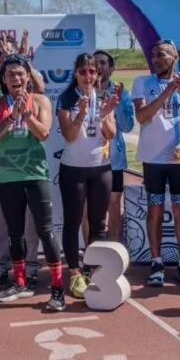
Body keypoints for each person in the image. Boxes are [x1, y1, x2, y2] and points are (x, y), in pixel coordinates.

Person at [0, 54, 65, 311]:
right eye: (10, 75)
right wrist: (10, 118)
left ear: (28, 76)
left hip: (35, 175)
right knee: (14, 233)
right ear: (3, 79)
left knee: (46, 231)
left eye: (20, 73)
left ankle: (58, 289)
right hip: (8, 177)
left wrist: (25, 114)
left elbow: (43, 133)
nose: (16, 78)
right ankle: (20, 283)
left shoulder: (40, 100)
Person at [133, 40, 180, 288]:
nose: (156, 59)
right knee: (155, 209)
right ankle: (156, 261)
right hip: (153, 158)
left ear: (174, 58)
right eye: (153, 55)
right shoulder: (143, 82)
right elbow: (142, 116)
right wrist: (168, 90)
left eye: (161, 55)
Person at [0, 34, 44, 290]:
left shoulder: (24, 74)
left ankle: (30, 265)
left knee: (30, 214)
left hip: (27, 155)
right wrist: (5, 64)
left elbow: (38, 86)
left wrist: (21, 61)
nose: (1, 57)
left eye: (5, 53)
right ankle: (0, 267)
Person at [56, 54, 120, 299]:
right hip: (73, 169)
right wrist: (81, 113)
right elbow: (69, 136)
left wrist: (104, 114)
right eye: (83, 72)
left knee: (98, 225)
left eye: (92, 72)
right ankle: (74, 273)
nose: (87, 76)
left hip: (101, 168)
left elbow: (111, 133)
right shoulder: (66, 98)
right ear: (75, 73)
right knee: (73, 223)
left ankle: (95, 270)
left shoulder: (103, 96)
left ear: (98, 74)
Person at [94, 50, 133, 242]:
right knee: (90, 205)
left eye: (103, 63)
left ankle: (115, 244)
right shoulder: (85, 92)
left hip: (114, 158)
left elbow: (127, 126)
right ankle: (92, 247)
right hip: (90, 158)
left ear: (111, 68)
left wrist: (116, 103)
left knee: (115, 202)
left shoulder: (123, 94)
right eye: (95, 63)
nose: (98, 66)